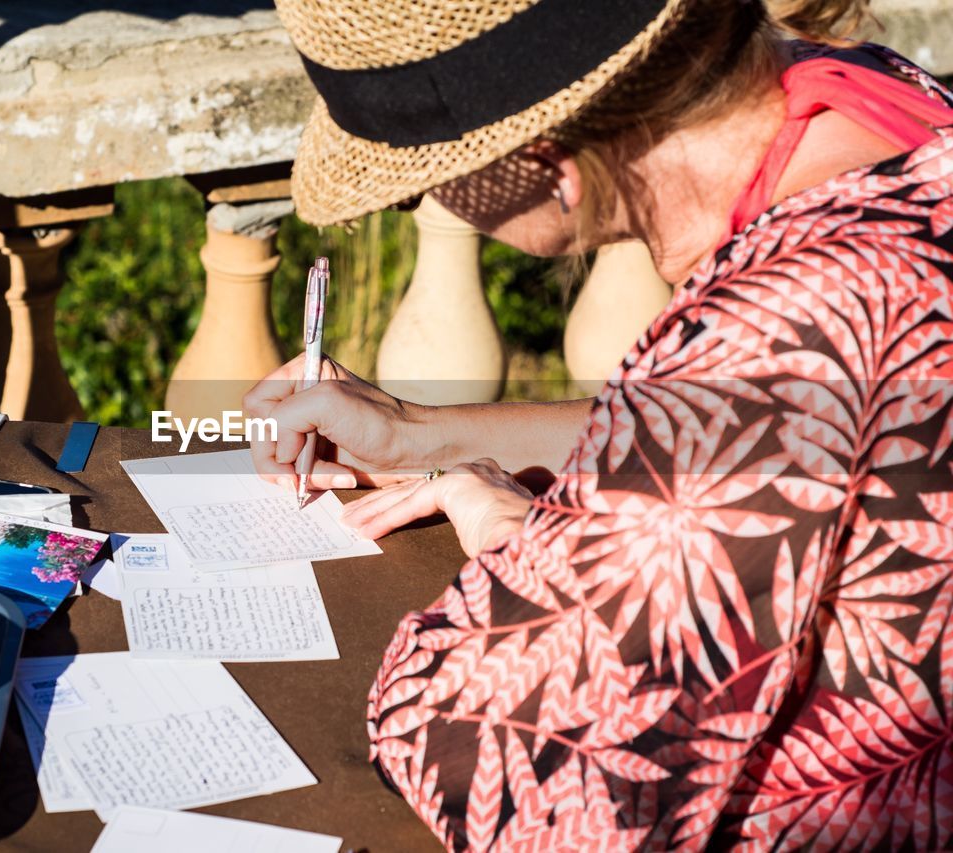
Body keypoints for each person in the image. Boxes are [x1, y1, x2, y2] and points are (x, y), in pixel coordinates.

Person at [244, 0, 953, 848]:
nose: (429, 204)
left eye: (427, 180)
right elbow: (716, 424)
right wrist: (420, 433)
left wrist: (528, 550)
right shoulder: (864, 97)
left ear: (549, 163)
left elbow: (487, 756)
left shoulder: (796, 320)